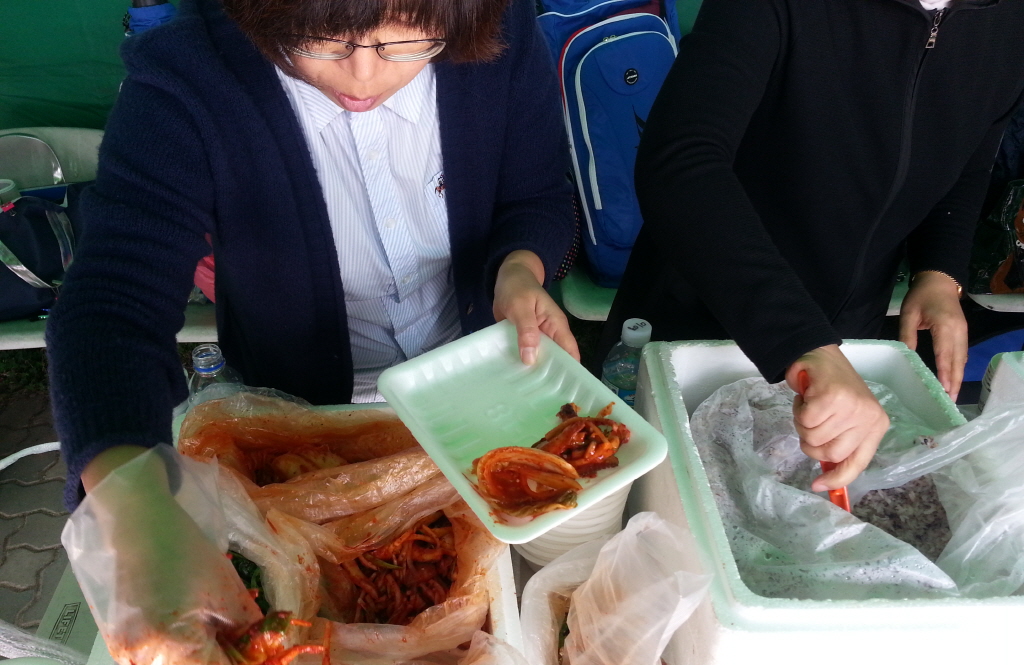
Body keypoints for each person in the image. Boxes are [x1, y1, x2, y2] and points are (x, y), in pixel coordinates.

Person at [46, 0, 578, 505]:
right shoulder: (191, 74)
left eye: (407, 40)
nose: (363, 76)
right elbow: (115, 300)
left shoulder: (494, 27)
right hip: (305, 414)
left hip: (482, 371)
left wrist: (518, 270)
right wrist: (133, 504)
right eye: (322, 39)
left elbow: (536, 195)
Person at [597, 0, 1024, 492]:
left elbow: (969, 157)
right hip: (698, 314)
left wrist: (940, 271)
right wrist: (800, 338)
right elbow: (680, 162)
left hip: (847, 331)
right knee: (655, 499)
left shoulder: (1009, 21)